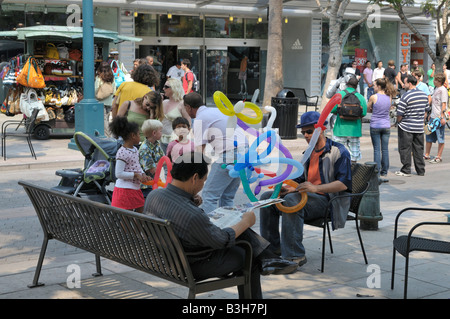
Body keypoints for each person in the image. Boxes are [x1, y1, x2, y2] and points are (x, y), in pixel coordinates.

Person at [143, 152, 299, 299]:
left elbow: (180, 213)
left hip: (167, 258)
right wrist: (246, 222)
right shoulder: (191, 215)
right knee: (249, 255)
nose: (203, 185)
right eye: (204, 180)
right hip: (191, 265)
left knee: (242, 236)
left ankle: (268, 258)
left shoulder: (154, 195)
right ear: (195, 178)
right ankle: (264, 266)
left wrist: (191, 200)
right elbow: (221, 240)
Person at [259, 111, 352, 267]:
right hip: (308, 197)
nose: (306, 135)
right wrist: (285, 188)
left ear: (321, 129)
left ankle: (295, 255)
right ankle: (272, 249)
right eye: (303, 133)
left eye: (309, 131)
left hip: (329, 201)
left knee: (291, 201)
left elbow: (344, 184)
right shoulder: (307, 154)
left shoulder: (339, 151)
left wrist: (315, 188)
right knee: (268, 197)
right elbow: (299, 180)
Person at [183, 92, 246, 214]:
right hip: (246, 152)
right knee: (227, 196)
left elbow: (199, 152)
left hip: (230, 153)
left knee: (209, 195)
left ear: (189, 107)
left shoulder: (200, 119)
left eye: (185, 108)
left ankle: (207, 230)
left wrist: (195, 174)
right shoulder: (216, 110)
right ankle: (228, 227)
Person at [109, 116, 150, 213]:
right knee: (127, 219)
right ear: (133, 135)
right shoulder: (122, 152)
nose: (140, 137)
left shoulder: (135, 149)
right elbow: (118, 174)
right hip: (125, 190)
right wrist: (135, 175)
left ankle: (136, 229)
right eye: (138, 134)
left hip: (134, 189)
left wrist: (143, 174)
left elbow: (136, 166)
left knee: (140, 213)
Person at [395, 75, 429, 177]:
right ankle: (420, 170)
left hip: (406, 127)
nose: (404, 85)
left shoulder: (406, 96)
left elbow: (400, 113)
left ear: (409, 84)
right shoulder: (423, 95)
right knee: (419, 149)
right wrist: (420, 120)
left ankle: (406, 169)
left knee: (405, 148)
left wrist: (398, 122)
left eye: (405, 83)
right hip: (418, 127)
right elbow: (426, 110)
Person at [331, 77, 368, 162]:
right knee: (354, 156)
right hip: (355, 131)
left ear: (347, 84)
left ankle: (340, 173)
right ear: (356, 86)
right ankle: (352, 172)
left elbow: (332, 110)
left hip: (340, 130)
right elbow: (364, 113)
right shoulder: (360, 97)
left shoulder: (339, 95)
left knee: (338, 155)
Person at [367, 78, 397, 180]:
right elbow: (388, 109)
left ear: (379, 86)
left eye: (375, 85)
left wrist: (372, 109)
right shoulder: (389, 97)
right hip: (386, 125)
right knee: (385, 149)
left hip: (375, 125)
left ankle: (377, 171)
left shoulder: (373, 97)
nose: (374, 87)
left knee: (376, 149)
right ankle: (385, 170)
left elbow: (368, 109)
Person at [161, 77, 191, 153]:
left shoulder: (182, 104)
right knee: (165, 163)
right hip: (162, 140)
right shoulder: (164, 102)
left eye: (166, 87)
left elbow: (188, 123)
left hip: (176, 141)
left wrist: (182, 138)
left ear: (174, 88)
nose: (163, 88)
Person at [424, 73, 448, 164]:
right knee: (429, 135)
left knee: (440, 137)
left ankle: (439, 156)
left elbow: (444, 104)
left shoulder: (443, 90)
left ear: (439, 81)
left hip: (439, 117)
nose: (433, 81)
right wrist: (431, 114)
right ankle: (427, 154)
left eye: (435, 80)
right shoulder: (436, 89)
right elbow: (434, 103)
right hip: (433, 116)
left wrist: (442, 116)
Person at [139, 119, 165, 198]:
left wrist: (157, 164)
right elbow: (153, 170)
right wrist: (160, 163)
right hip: (146, 185)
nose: (162, 133)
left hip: (155, 181)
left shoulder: (156, 144)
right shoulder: (144, 149)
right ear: (154, 133)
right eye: (160, 131)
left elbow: (165, 160)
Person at [94, 61, 116, 137]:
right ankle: (109, 135)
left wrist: (95, 95)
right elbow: (114, 90)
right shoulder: (112, 78)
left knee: (104, 121)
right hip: (109, 102)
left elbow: (96, 88)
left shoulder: (99, 78)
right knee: (106, 118)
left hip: (100, 102)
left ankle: (107, 136)